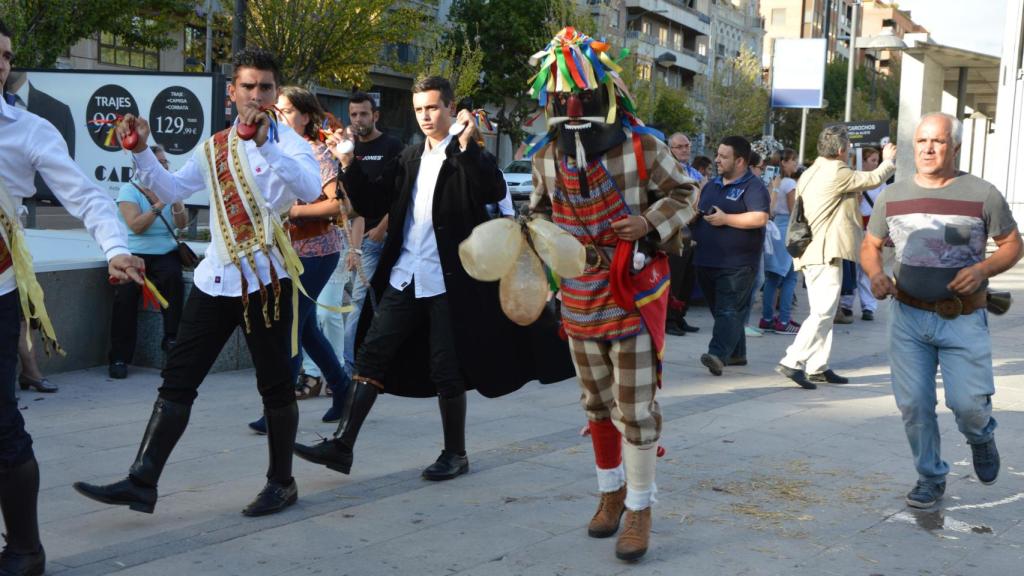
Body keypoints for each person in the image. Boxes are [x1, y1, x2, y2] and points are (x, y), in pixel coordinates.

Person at [74, 48, 321, 518]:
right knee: (177, 380)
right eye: (247, 86)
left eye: (266, 87)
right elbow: (169, 190)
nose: (256, 95)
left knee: (275, 387)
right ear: (231, 93)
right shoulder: (215, 145)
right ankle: (142, 480)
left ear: (275, 93)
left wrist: (264, 143)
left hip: (266, 285)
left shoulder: (289, 144)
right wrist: (141, 151)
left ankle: (282, 482)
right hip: (217, 280)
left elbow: (310, 189)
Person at [294, 76, 574, 484]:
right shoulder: (408, 157)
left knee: (447, 367)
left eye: (433, 108)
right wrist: (349, 163)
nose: (426, 116)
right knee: (371, 356)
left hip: (449, 280)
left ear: (449, 108)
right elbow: (371, 204)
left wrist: (469, 147)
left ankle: (455, 453)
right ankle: (342, 444)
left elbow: (492, 188)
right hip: (406, 275)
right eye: (419, 109)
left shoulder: (465, 154)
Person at [526, 29, 695, 561]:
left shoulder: (643, 145)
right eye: (561, 98)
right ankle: (610, 494)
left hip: (634, 290)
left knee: (635, 408)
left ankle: (641, 507)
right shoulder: (547, 154)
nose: (572, 107)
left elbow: (687, 192)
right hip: (578, 294)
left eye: (582, 96)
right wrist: (531, 233)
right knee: (596, 404)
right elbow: (540, 213)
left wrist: (646, 221)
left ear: (606, 94)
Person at [0, 18, 144, 575]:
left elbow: (87, 196)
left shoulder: (30, 129)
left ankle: (25, 550)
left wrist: (113, 248)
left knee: (1, 423)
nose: (2, 63)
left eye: (7, 55)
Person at [861, 113, 1022, 508]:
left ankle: (981, 436)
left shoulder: (982, 194)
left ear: (956, 147)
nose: (928, 149)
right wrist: (875, 275)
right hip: (908, 317)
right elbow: (870, 245)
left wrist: (982, 269)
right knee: (914, 404)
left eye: (938, 141)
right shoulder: (892, 195)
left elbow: (1013, 245)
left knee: (967, 405)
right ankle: (930, 476)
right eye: (921, 142)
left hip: (963, 317)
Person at [247, 86, 350, 435]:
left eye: (288, 110)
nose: (280, 115)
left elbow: (337, 204)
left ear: (306, 117)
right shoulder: (272, 148)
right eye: (278, 109)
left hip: (317, 251)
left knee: (290, 328)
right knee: (303, 329)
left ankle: (278, 406)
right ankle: (343, 389)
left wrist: (293, 210)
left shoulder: (315, 151)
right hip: (285, 252)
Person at [776, 125, 896, 389]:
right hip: (824, 252)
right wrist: (888, 161)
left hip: (814, 250)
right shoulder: (836, 171)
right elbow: (873, 179)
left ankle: (818, 366)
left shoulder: (810, 171)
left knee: (826, 312)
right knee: (822, 312)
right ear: (842, 150)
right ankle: (793, 361)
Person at [692, 136, 770, 376]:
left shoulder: (753, 186)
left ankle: (717, 354)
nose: (717, 160)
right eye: (717, 155)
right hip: (706, 259)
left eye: (723, 156)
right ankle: (737, 353)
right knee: (723, 312)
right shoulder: (711, 184)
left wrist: (727, 219)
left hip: (737, 264)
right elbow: (699, 210)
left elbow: (760, 218)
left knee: (728, 310)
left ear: (740, 161)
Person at [108, 145, 187, 379]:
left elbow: (181, 224)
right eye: (159, 163)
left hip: (165, 253)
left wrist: (177, 203)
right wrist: (161, 203)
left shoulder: (170, 189)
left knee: (173, 281)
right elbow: (136, 226)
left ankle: (171, 341)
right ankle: (120, 357)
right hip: (134, 253)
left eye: (165, 163)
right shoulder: (128, 191)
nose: (164, 167)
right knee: (126, 295)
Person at [341, 92, 404, 379]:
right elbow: (348, 201)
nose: (358, 120)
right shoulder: (349, 151)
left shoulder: (391, 146)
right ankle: (370, 363)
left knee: (359, 303)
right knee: (367, 303)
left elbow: (402, 194)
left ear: (375, 115)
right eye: (353, 114)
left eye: (363, 114)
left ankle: (350, 369)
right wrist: (353, 247)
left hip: (380, 238)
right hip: (354, 239)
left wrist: (383, 228)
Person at [759, 148, 800, 334]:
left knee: (772, 277)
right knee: (790, 277)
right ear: (784, 162)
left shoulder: (772, 182)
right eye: (793, 160)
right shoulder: (790, 183)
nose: (796, 164)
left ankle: (767, 318)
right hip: (787, 229)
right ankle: (784, 320)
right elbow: (794, 211)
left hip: (774, 229)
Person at [840, 146, 884, 321]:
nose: (876, 164)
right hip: (855, 226)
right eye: (872, 160)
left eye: (877, 160)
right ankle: (846, 304)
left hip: (871, 227)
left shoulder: (880, 183)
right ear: (863, 161)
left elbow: (883, 206)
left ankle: (868, 306)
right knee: (852, 267)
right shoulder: (853, 179)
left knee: (868, 268)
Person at [665, 133, 702, 337]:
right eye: (680, 146)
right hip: (674, 230)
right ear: (670, 149)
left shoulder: (693, 172)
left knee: (688, 277)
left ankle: (680, 316)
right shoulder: (667, 170)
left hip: (692, 229)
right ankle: (669, 319)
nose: (685, 149)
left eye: (687, 145)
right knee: (674, 277)